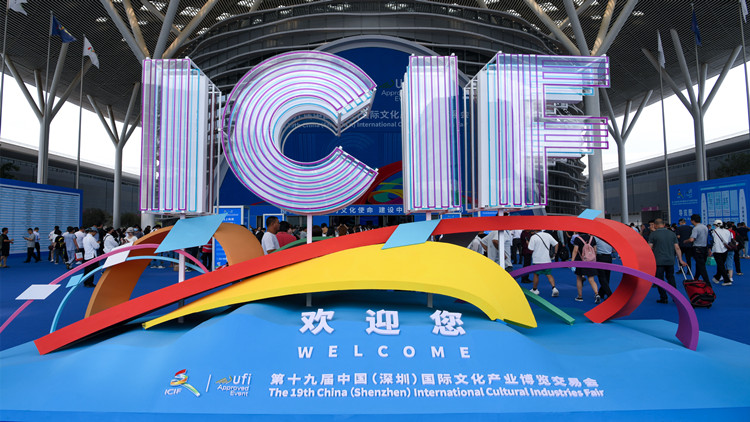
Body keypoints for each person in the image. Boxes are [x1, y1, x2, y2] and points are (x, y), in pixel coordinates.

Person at [648, 219, 687, 303]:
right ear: (664, 224)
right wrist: (681, 260)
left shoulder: (653, 234)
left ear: (655, 225)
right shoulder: (672, 233)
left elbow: (649, 248)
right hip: (670, 260)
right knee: (671, 278)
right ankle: (675, 297)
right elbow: (677, 248)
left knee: (659, 279)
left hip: (658, 261)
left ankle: (663, 297)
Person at [528, 229, 559, 297]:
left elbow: (531, 248)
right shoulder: (547, 235)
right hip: (546, 259)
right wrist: (555, 252)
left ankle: (535, 289)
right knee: (548, 274)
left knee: (536, 274)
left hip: (537, 259)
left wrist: (528, 243)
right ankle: (554, 288)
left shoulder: (533, 237)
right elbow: (556, 243)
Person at [570, 232, 600, 303]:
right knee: (591, 279)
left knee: (579, 278)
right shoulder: (592, 238)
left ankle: (580, 296)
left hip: (580, 261)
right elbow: (595, 250)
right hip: (591, 261)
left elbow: (575, 250)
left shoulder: (577, 239)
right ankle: (597, 294)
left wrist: (572, 261)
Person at [685, 214, 711, 285]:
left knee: (701, 266)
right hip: (704, 247)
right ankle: (696, 278)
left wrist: (685, 241)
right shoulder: (705, 227)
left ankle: (707, 282)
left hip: (697, 248)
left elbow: (692, 239)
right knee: (699, 265)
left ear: (693, 220)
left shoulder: (695, 228)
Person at [710, 220, 733, 286]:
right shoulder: (727, 231)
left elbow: (712, 241)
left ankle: (726, 280)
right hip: (725, 249)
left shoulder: (714, 231)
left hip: (716, 250)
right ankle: (717, 277)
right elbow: (729, 240)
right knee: (721, 264)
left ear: (715, 225)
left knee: (720, 265)